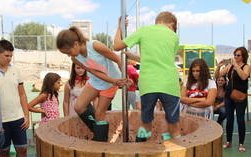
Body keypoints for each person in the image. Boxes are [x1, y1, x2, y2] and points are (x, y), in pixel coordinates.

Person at [114, 11, 181, 142]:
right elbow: (162, 60)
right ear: (172, 24)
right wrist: (132, 56)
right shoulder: (174, 36)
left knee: (145, 125)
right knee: (174, 125)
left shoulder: (144, 30)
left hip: (148, 84)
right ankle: (178, 155)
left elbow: (117, 46)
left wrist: (119, 27)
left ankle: (141, 155)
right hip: (170, 84)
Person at [56, 26, 127, 142]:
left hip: (111, 81)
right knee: (78, 106)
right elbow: (93, 71)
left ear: (75, 44)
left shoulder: (95, 46)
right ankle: (99, 133)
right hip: (96, 80)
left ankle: (101, 141)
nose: (69, 55)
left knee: (99, 114)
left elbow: (117, 59)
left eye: (68, 52)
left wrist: (123, 78)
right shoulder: (75, 58)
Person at [0, 40, 39, 157]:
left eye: (11, 56)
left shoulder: (16, 71)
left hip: (18, 119)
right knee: (4, 152)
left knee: (22, 150)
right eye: (6, 55)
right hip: (0, 122)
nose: (9, 59)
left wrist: (26, 115)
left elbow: (22, 94)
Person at [215, 47, 251, 152]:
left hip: (240, 97)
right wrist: (219, 67)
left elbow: (244, 77)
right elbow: (218, 76)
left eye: (238, 55)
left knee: (240, 120)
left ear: (243, 56)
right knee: (229, 119)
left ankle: (241, 143)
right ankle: (228, 142)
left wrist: (236, 66)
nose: (236, 57)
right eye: (235, 54)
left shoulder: (246, 66)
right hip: (229, 96)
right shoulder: (230, 66)